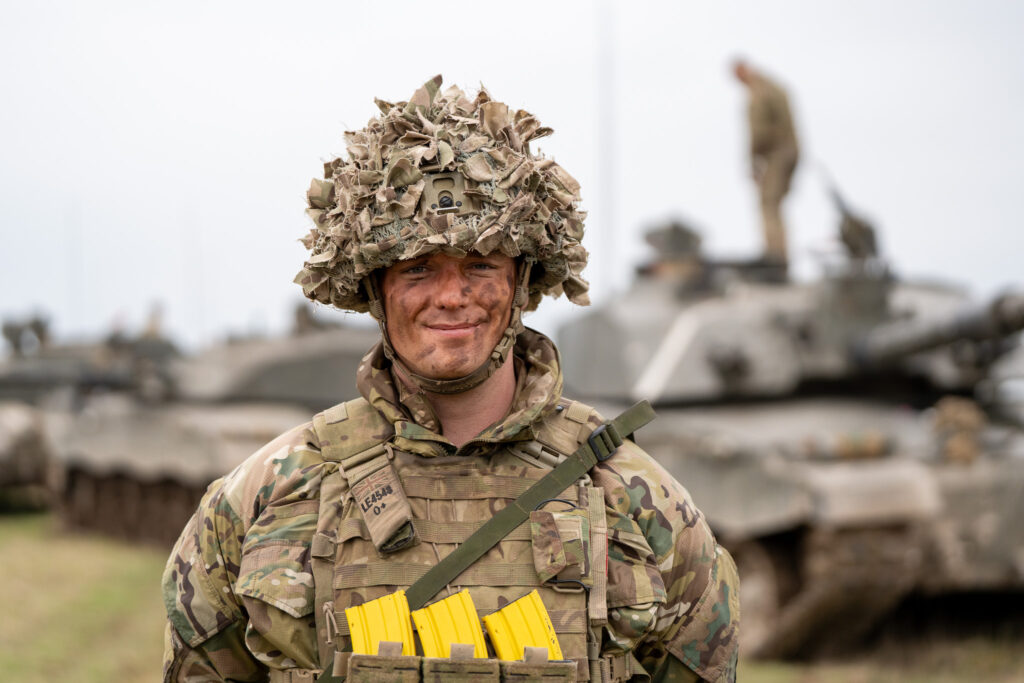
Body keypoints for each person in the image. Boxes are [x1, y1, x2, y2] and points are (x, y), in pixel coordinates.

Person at [162, 76, 739, 683]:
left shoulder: (638, 498)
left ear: (520, 282)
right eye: (418, 269)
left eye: (480, 265)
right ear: (375, 289)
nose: (451, 297)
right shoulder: (268, 494)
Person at [733, 59, 800, 269]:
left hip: (776, 154)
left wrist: (753, 161)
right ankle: (780, 255)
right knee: (775, 204)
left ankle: (776, 258)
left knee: (768, 204)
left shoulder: (759, 93)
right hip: (790, 150)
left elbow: (759, 132)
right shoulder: (775, 86)